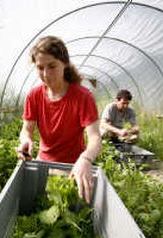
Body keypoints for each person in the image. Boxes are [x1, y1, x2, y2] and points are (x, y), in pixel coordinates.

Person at [16, 36, 101, 204]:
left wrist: (85, 159)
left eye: (52, 66)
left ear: (65, 64)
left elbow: (95, 138)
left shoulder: (82, 96)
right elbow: (26, 130)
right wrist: (25, 140)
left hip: (74, 167)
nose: (46, 74)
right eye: (40, 68)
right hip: (43, 165)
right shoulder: (34, 96)